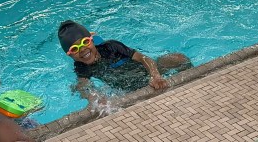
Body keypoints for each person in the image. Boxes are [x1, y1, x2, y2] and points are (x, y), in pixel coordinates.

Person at [58, 20, 193, 103]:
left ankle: (191, 87)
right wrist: (95, 98)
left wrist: (155, 76)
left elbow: (143, 58)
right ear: (69, 55)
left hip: (145, 73)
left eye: (85, 42)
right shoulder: (81, 67)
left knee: (179, 58)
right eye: (75, 49)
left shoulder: (111, 46)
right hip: (127, 89)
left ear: (91, 40)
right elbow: (83, 85)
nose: (82, 51)